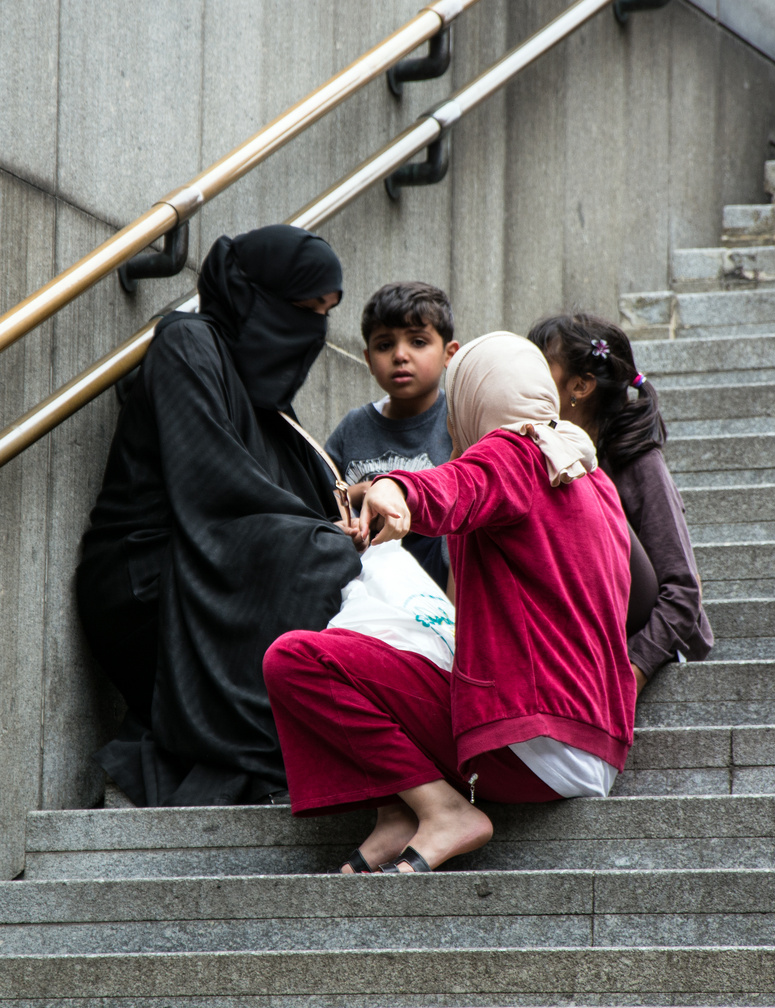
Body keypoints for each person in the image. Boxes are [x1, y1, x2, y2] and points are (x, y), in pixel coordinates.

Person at [263, 331, 634, 874]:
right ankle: (397, 810)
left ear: (472, 399)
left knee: (298, 659)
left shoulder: (519, 450)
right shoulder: (591, 477)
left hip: (532, 739)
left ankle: (441, 811)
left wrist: (394, 489)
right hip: (594, 746)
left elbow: (461, 483)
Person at [76, 226, 362, 806]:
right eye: (300, 309)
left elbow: (280, 498)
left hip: (215, 558)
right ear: (248, 295)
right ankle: (256, 747)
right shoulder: (188, 344)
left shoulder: (265, 394)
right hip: (146, 575)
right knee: (319, 558)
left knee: (338, 558)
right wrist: (320, 537)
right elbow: (211, 480)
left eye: (324, 313)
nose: (311, 329)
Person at [527, 314, 713, 698]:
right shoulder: (539, 455)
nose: (524, 378)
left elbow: (682, 592)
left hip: (641, 642)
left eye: (538, 366)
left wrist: (633, 672)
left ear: (579, 385)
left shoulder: (639, 464)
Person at [325, 282, 460, 591]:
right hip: (363, 594)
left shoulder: (458, 423)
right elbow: (320, 500)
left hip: (436, 595)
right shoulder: (353, 426)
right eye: (385, 345)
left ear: (449, 353)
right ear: (368, 359)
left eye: (418, 342)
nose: (400, 355)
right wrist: (357, 497)